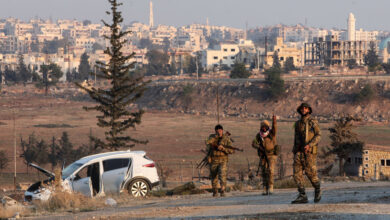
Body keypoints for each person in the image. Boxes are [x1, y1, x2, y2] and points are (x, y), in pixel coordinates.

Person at [291, 103, 321, 204]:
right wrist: (295, 150)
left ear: (309, 110)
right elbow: (296, 138)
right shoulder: (298, 123)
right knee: (296, 173)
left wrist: (310, 145)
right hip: (299, 152)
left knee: (311, 173)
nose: (303, 110)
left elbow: (318, 135)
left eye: (305, 108)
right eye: (302, 108)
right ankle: (302, 195)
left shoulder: (313, 122)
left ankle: (317, 189)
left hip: (309, 152)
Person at [206, 124, 235, 197]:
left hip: (223, 160)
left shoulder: (226, 139)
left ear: (222, 130)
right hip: (213, 160)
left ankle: (222, 190)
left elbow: (232, 150)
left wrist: (223, 149)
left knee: (222, 175)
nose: (219, 132)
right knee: (214, 176)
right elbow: (207, 144)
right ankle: (215, 191)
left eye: (220, 130)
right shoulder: (212, 137)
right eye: (217, 130)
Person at [252, 115, 277, 195]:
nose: (264, 128)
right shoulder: (259, 135)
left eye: (265, 126)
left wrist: (274, 121)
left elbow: (275, 128)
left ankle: (271, 187)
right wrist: (259, 147)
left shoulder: (271, 133)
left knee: (271, 171)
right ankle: (265, 188)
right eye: (262, 126)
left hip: (271, 155)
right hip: (263, 156)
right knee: (264, 172)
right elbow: (253, 143)